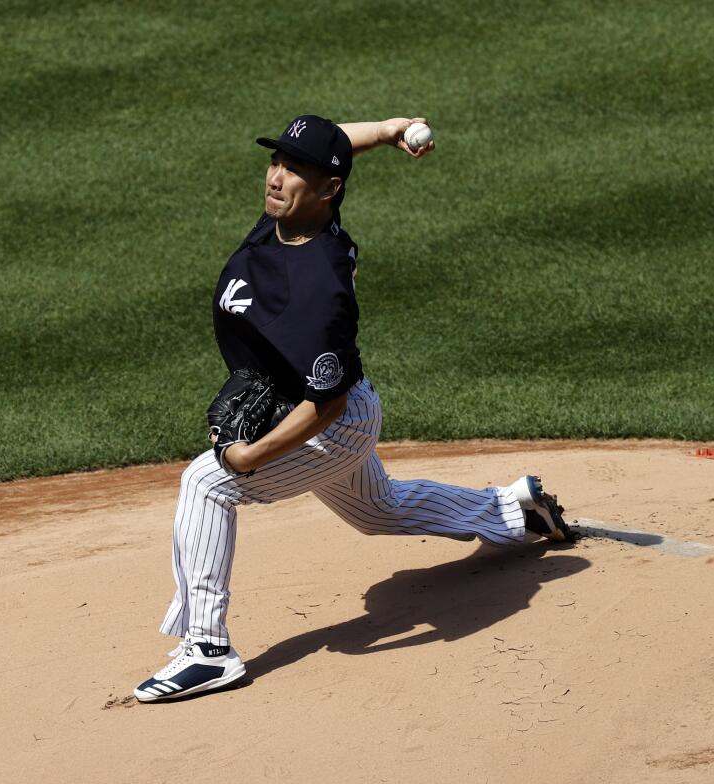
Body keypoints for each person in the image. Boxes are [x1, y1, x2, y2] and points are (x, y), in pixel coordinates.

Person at [133, 115, 573, 703]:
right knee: (377, 510)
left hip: (330, 422)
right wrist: (388, 130)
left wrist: (249, 457)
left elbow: (327, 403)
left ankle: (208, 651)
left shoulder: (319, 284)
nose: (275, 177)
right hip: (310, 406)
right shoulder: (289, 219)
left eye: (294, 171)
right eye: (275, 162)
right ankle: (513, 509)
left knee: (207, 485)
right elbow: (333, 143)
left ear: (327, 189)